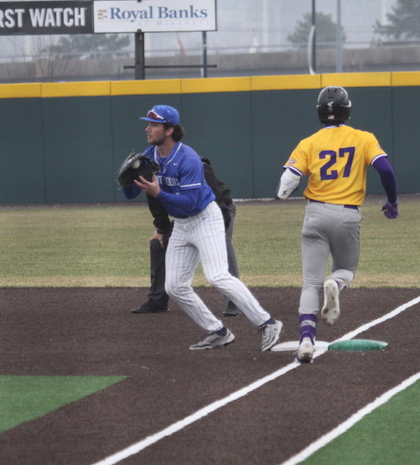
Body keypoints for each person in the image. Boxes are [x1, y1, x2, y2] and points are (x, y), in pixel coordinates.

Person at [130, 104, 283, 351]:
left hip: (204, 218)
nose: (147, 129)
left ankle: (268, 323)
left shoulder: (188, 158)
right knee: (174, 286)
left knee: (217, 275)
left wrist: (158, 192)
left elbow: (190, 202)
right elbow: (135, 192)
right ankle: (218, 331)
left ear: (169, 130)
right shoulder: (150, 156)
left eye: (154, 125)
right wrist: (130, 183)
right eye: (148, 124)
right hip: (181, 224)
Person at [277, 86, 398, 363]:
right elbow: (385, 170)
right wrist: (392, 202)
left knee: (310, 283)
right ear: (348, 109)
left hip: (315, 214)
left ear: (319, 112)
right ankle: (336, 284)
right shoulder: (363, 138)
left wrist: (283, 193)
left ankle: (306, 340)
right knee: (346, 269)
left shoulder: (308, 142)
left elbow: (287, 183)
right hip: (347, 215)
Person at [127, 156, 242, 318]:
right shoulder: (152, 174)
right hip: (186, 215)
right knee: (158, 243)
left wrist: (218, 230)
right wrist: (161, 229)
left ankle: (235, 300)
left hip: (217, 209)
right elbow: (156, 203)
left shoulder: (195, 166)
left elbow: (217, 200)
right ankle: (157, 301)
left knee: (222, 243)